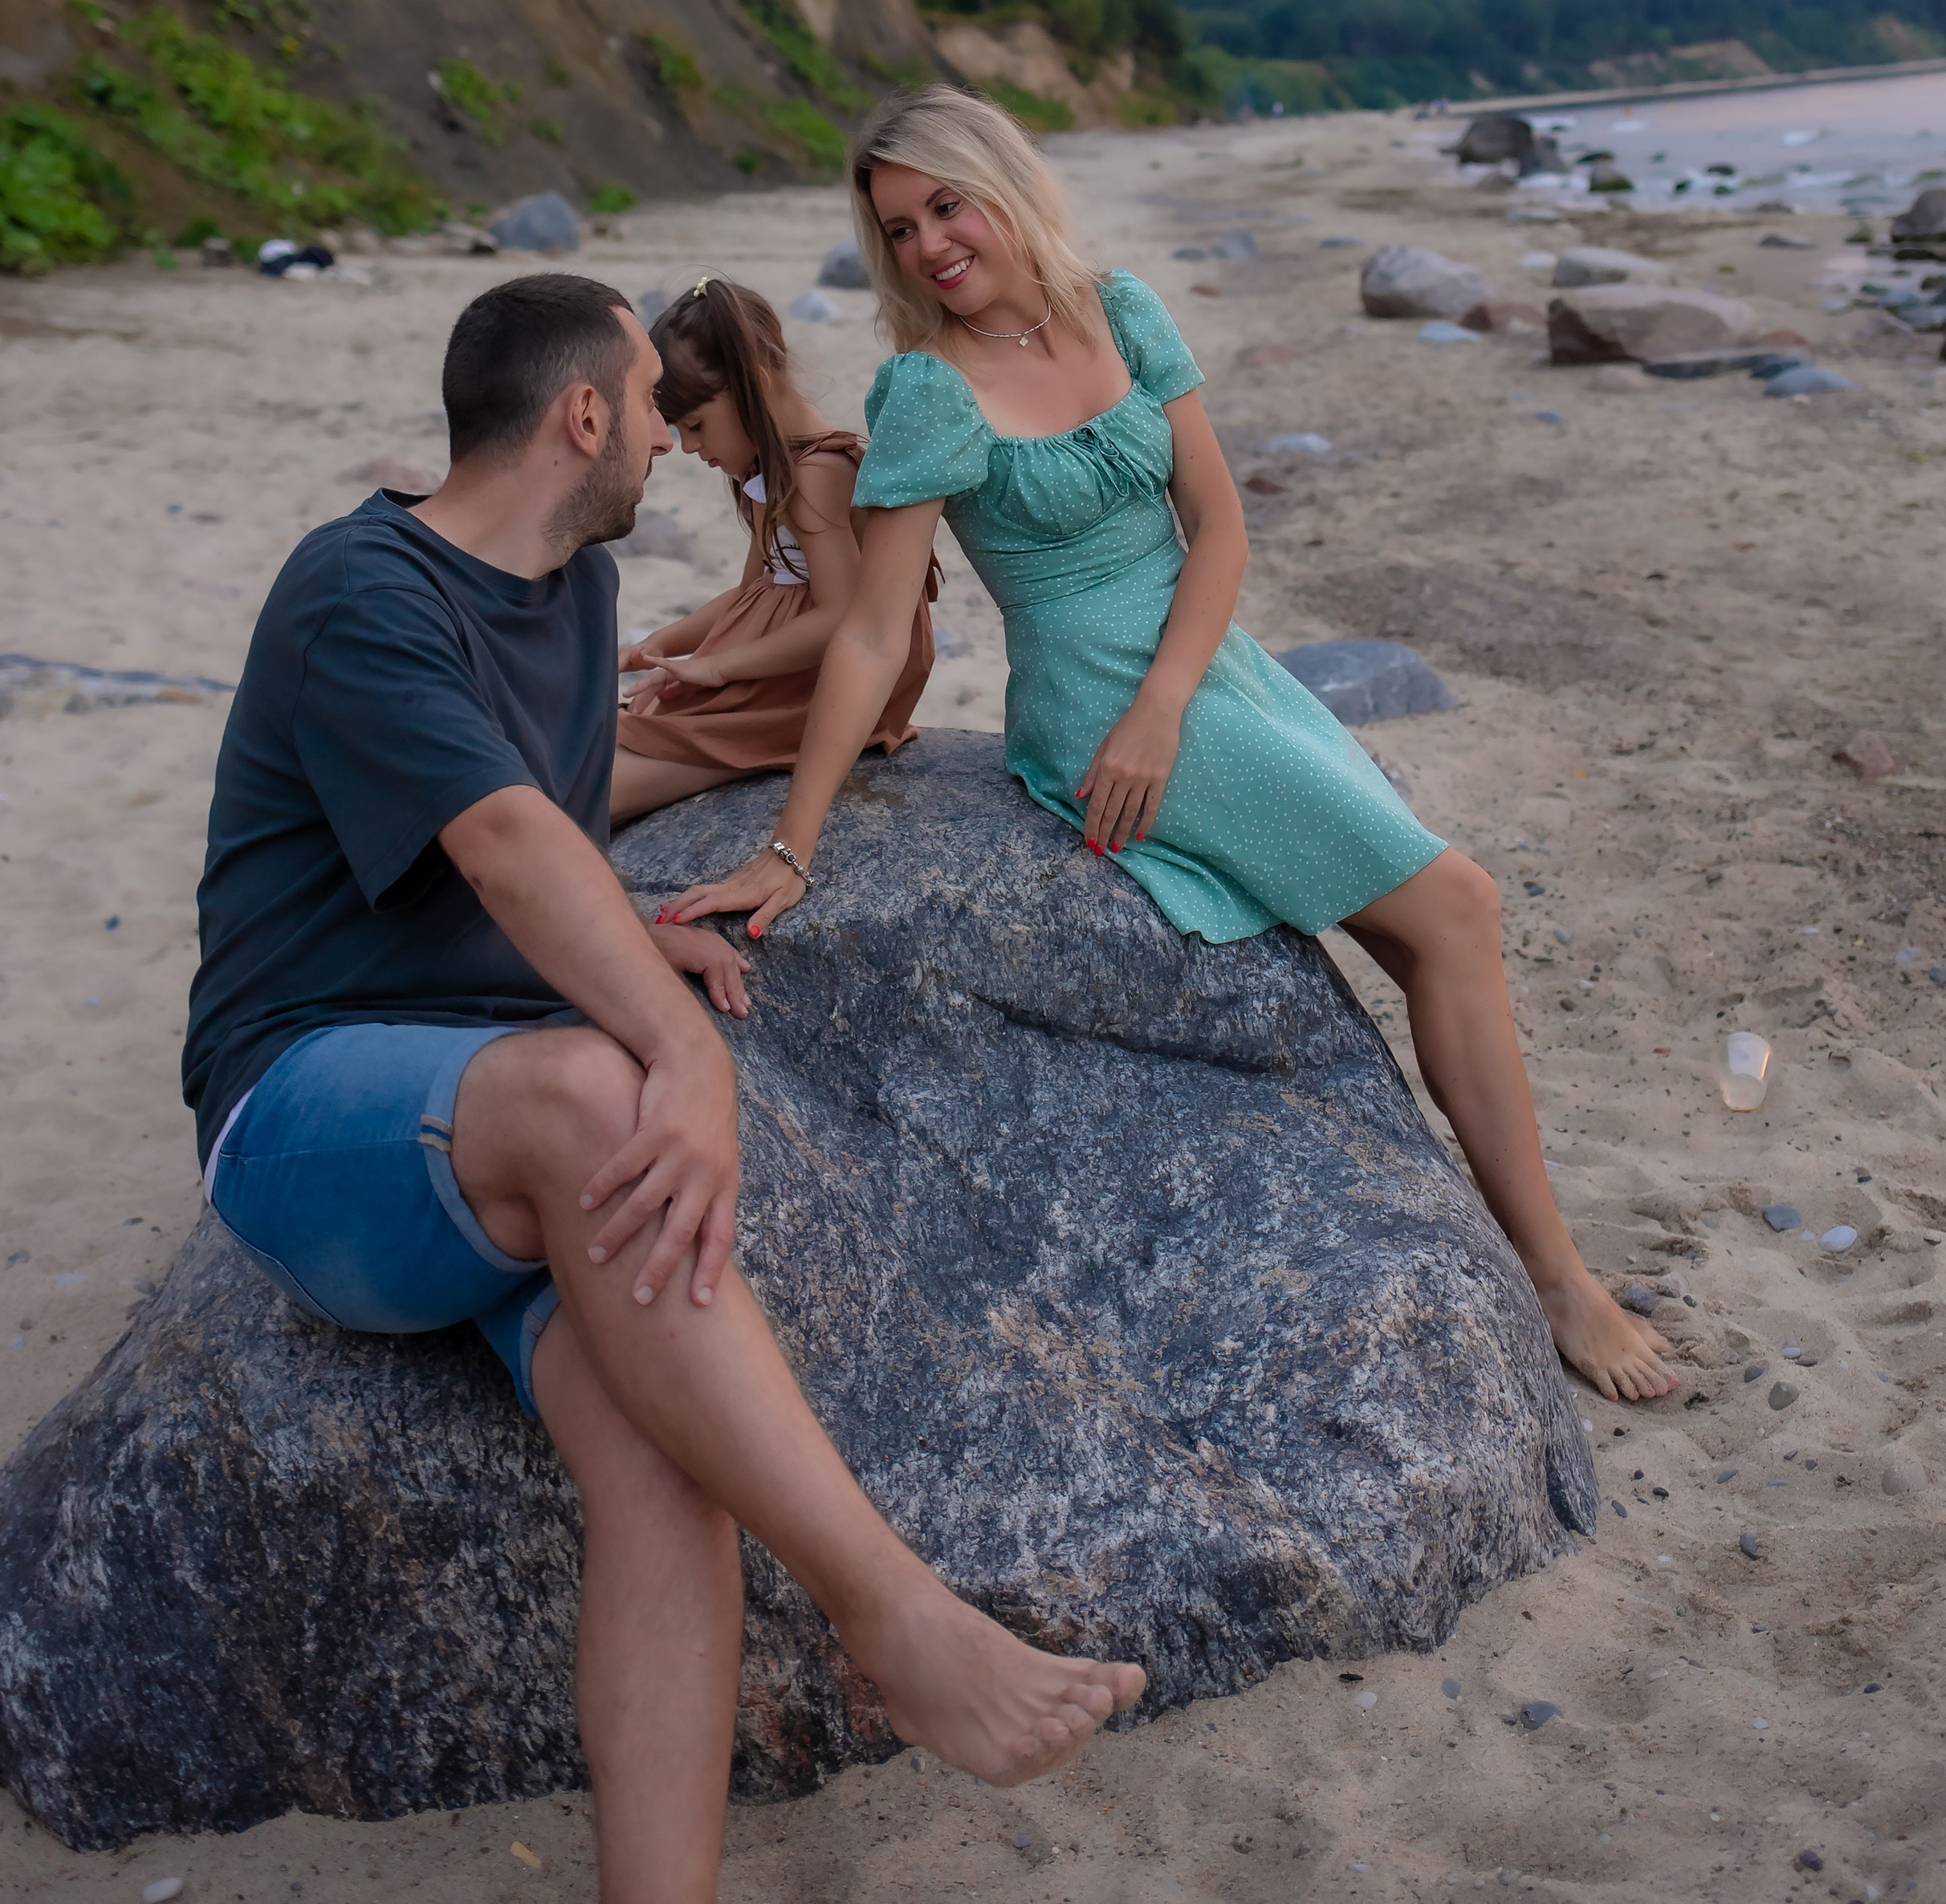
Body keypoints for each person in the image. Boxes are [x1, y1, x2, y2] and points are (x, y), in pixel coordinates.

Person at [181, 270, 1143, 1904]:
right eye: (643, 405)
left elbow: (529, 841)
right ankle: (888, 1611)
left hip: (491, 1124)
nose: (661, 438)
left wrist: (634, 930)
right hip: (310, 1114)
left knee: (665, 1467)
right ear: (577, 419)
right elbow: (495, 840)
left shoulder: (569, 594)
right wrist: (675, 1044)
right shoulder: (364, 587)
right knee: (596, 1090)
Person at [660, 92, 1677, 1410]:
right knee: (1457, 905)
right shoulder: (925, 390)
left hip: (1204, 676)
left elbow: (1221, 528)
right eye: (897, 228)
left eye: (945, 206)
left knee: (1433, 923)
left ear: (1002, 184)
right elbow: (866, 635)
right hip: (1087, 693)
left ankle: (1533, 1252)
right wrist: (792, 845)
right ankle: (1555, 1276)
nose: (926, 247)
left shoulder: (1121, 309)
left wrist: (1173, 701)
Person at [611, 277, 934, 832]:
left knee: (604, 784)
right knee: (612, 733)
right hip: (767, 672)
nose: (689, 447)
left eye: (695, 425)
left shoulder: (818, 474)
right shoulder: (774, 471)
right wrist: (666, 643)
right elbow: (754, 591)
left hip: (808, 687)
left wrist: (715, 665)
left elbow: (841, 614)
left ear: (755, 387)